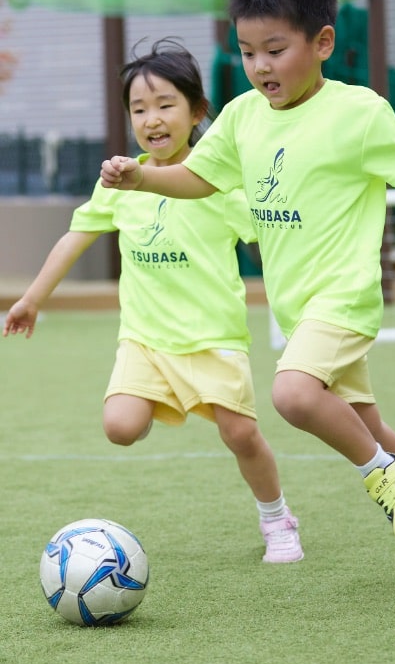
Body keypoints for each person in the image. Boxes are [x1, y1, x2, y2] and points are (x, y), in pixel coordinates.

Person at [99, 0, 395, 585]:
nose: (261, 66)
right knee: (368, 426)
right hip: (300, 311)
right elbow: (196, 178)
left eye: (275, 48)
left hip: (343, 299)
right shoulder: (240, 117)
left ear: (322, 43)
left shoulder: (358, 112)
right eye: (248, 52)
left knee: (292, 393)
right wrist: (141, 177)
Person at [2, 37, 304, 565]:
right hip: (144, 339)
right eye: (139, 109)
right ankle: (161, 404)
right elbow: (75, 237)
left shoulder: (219, 184)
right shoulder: (118, 182)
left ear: (196, 112)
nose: (152, 119)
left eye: (165, 104)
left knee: (242, 435)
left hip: (213, 338)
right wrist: (31, 300)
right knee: (120, 428)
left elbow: (274, 242)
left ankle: (277, 518)